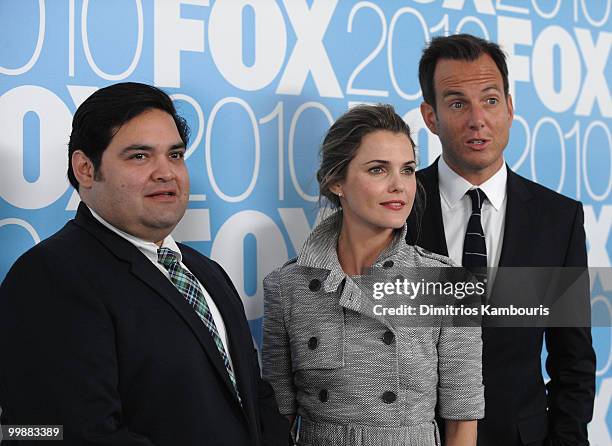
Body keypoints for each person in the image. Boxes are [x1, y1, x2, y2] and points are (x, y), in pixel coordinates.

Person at [0, 82, 289, 445]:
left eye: (175, 155)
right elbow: (71, 435)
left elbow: (254, 399)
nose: (166, 173)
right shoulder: (49, 276)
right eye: (139, 156)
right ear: (86, 169)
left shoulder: (205, 271)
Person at [406, 34, 596, 445]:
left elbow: (574, 364)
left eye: (490, 100)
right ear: (430, 116)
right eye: (457, 103)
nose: (478, 119)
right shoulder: (397, 210)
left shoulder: (557, 219)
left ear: (510, 108)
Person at [262, 104, 484, 446]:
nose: (399, 185)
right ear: (337, 181)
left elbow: (462, 422)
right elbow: (278, 421)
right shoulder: (287, 286)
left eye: (407, 170)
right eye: (378, 170)